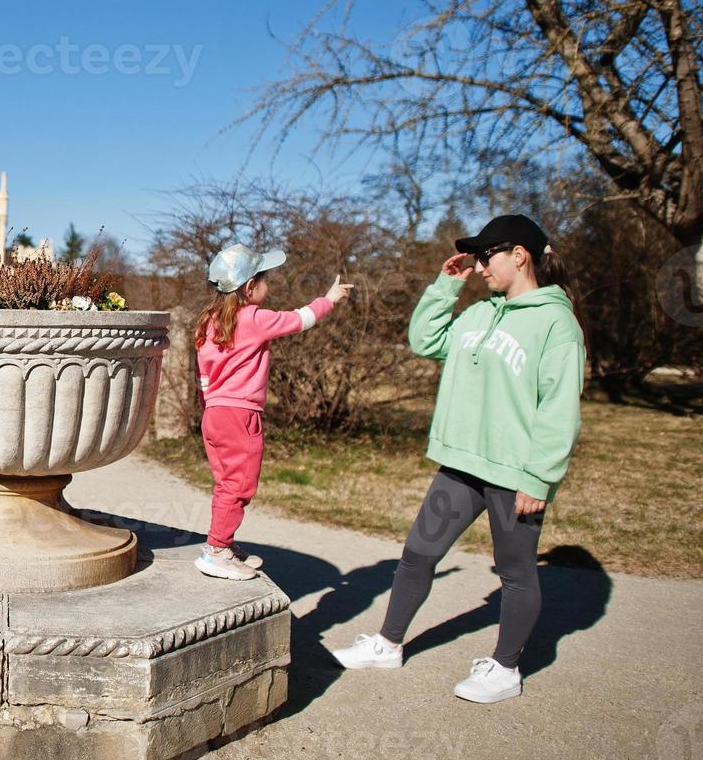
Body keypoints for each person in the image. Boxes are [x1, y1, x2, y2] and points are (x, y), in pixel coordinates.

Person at [330, 214, 585, 704]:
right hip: (462, 463)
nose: (480, 265)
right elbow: (426, 342)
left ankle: (506, 668)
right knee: (418, 554)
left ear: (520, 255)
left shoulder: (557, 323)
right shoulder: (478, 313)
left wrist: (540, 477)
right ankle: (388, 644)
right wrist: (445, 289)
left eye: (487, 255)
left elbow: (560, 408)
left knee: (515, 573)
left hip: (514, 474)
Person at [194, 244, 353, 580]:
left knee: (227, 483)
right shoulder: (252, 318)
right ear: (250, 287)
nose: (270, 286)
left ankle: (223, 543)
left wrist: (213, 404)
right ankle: (216, 550)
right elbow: (299, 319)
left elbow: (205, 372)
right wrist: (329, 298)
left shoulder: (209, 322)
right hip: (240, 416)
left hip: (216, 414)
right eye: (265, 279)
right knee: (239, 485)